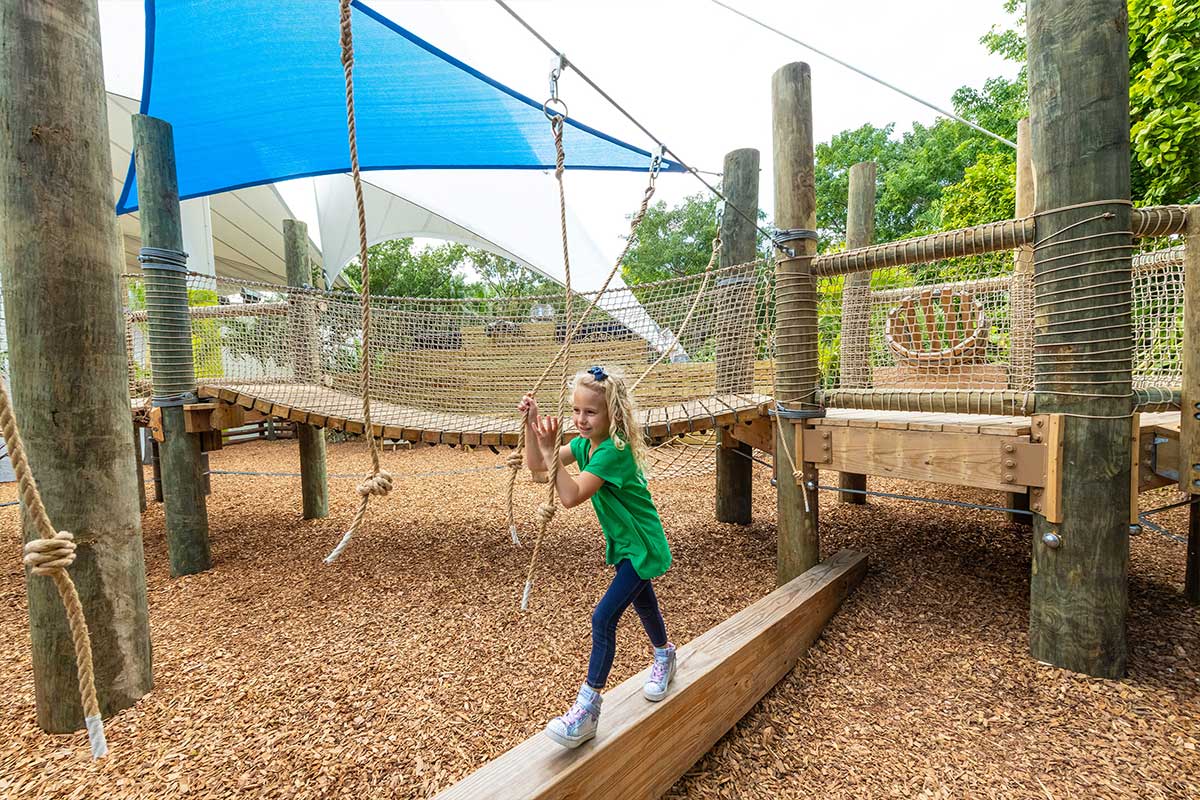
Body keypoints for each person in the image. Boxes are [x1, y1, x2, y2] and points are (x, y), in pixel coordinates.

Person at [518, 365, 676, 749]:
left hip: (643, 545)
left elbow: (569, 497)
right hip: (625, 543)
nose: (580, 419)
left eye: (590, 412)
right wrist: (532, 424)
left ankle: (588, 709)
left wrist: (553, 447)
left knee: (603, 617)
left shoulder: (613, 452)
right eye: (576, 410)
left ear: (613, 415)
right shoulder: (587, 445)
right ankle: (665, 654)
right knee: (643, 602)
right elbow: (538, 469)